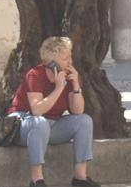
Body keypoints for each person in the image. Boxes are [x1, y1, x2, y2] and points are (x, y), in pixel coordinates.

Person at [7, 36, 99, 187]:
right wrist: (58, 88)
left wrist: (76, 85)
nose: (70, 61)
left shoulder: (69, 77)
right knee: (40, 122)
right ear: (52, 62)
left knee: (84, 120)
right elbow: (37, 110)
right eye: (66, 58)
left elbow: (77, 111)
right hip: (24, 125)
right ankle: (37, 180)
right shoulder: (35, 75)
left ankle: (80, 177)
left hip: (50, 126)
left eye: (70, 56)